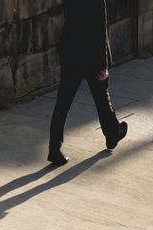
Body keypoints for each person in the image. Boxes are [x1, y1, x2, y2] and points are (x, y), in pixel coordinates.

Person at [48, 0, 128, 165]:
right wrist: (103, 66)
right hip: (91, 57)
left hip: (71, 53)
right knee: (101, 97)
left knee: (62, 103)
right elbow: (99, 32)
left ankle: (54, 149)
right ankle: (112, 136)